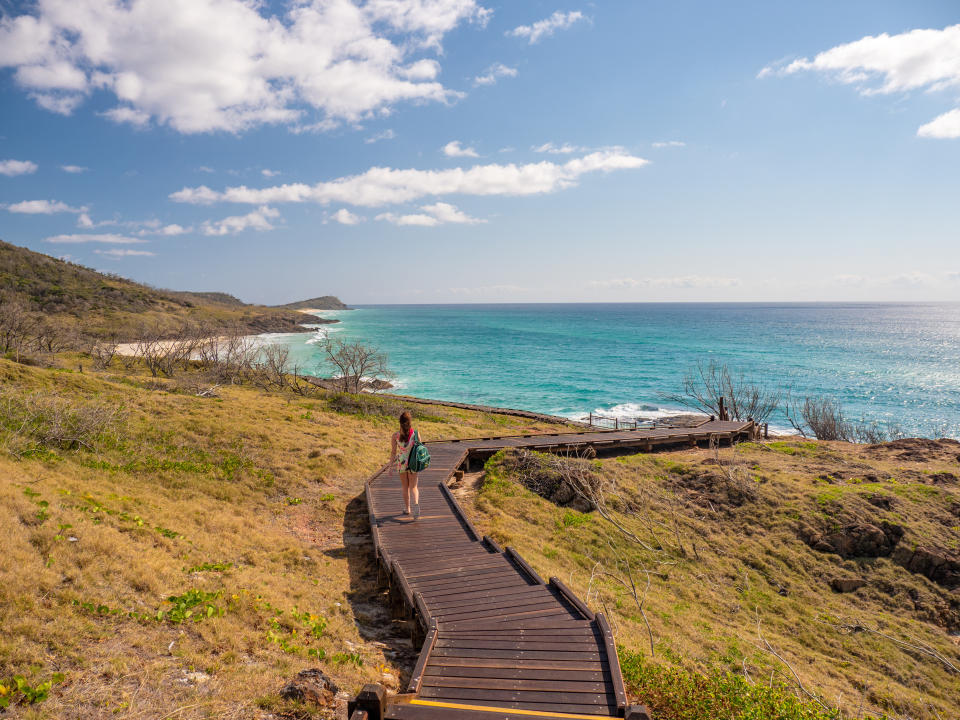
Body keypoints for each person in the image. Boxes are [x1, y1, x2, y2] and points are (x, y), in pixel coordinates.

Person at [390, 411, 420, 519]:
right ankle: (416, 503)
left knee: (405, 487)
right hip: (413, 463)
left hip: (402, 463)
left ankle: (408, 509)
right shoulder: (415, 433)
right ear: (409, 421)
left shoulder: (395, 436)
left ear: (400, 422)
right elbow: (419, 449)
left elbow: (393, 452)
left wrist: (390, 467)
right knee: (414, 487)